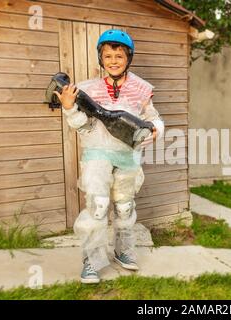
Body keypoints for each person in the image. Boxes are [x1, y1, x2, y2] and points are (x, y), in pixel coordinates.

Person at [53, 29, 164, 284]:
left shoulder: (140, 89)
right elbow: (84, 126)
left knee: (124, 207)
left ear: (129, 58)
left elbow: (153, 117)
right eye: (108, 56)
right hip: (97, 156)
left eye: (119, 56)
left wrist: (157, 129)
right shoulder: (87, 90)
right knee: (98, 206)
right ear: (101, 59)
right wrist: (70, 109)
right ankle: (92, 260)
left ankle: (123, 251)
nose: (113, 60)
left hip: (127, 158)